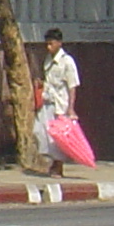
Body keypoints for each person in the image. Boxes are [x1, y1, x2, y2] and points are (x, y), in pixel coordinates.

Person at [38, 27, 82, 178]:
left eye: (51, 43)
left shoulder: (67, 62)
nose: (48, 47)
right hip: (47, 102)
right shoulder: (48, 60)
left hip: (60, 105)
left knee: (57, 139)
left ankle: (58, 166)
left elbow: (72, 86)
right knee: (40, 132)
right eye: (47, 44)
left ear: (59, 43)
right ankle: (53, 163)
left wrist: (71, 108)